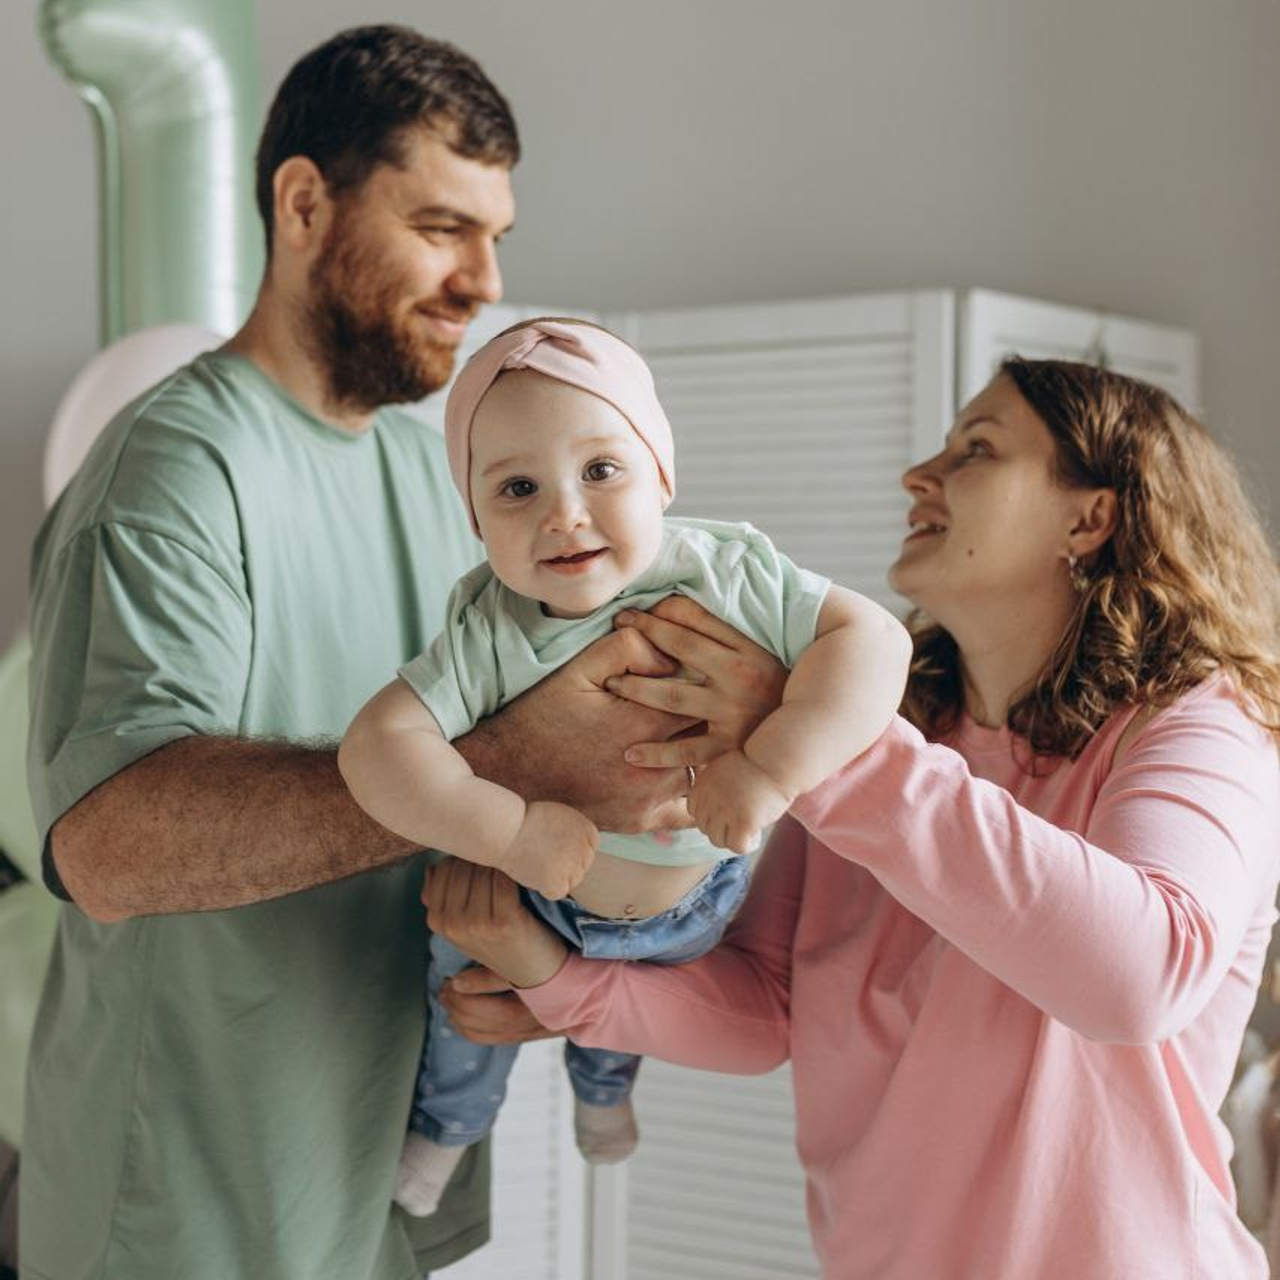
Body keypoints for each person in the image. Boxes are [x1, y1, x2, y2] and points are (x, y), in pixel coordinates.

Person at [20, 26, 787, 1280]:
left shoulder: (440, 474)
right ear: (305, 202)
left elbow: (513, 766)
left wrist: (550, 931)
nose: (484, 280)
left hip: (371, 1182)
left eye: (497, 237)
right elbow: (108, 842)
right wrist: (498, 770)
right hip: (192, 1213)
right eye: (441, 227)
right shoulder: (173, 472)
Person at [426, 358, 1280, 1280]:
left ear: (1089, 517)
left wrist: (824, 744)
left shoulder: (1200, 722)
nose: (921, 474)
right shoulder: (902, 734)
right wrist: (556, 979)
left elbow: (1138, 978)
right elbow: (769, 1005)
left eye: (976, 449)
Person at [338, 316, 912, 1215]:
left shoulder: (728, 573)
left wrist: (769, 768)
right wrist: (510, 830)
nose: (565, 513)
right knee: (463, 1011)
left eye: (602, 470)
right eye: (518, 488)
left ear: (663, 475)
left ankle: (604, 1094)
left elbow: (875, 640)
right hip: (526, 890)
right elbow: (377, 750)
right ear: (476, 519)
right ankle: (448, 1130)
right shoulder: (488, 625)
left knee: (626, 1016)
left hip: (688, 913)